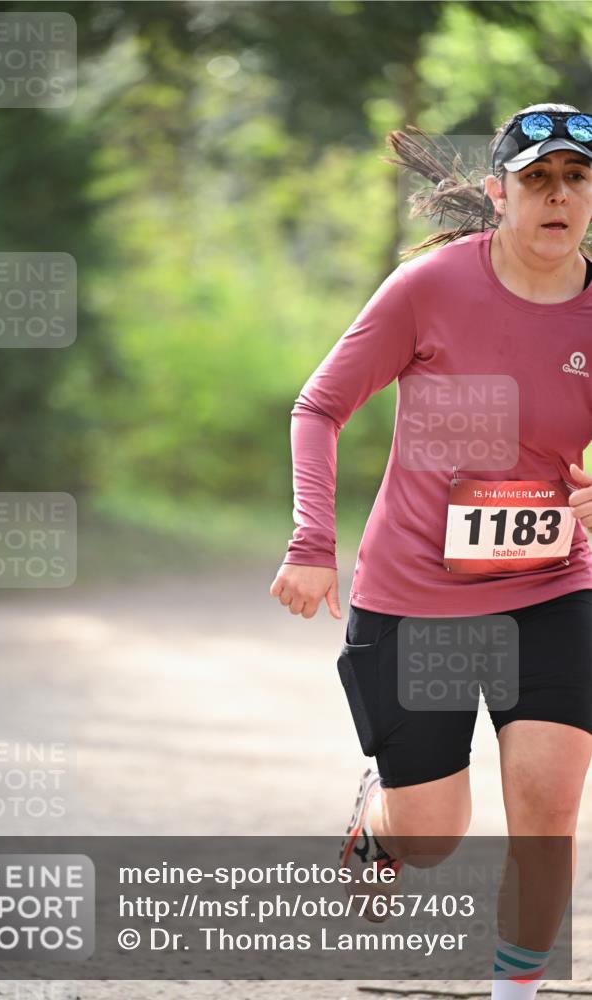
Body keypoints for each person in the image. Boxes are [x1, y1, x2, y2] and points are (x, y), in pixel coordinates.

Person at [270, 103, 592, 999]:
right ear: (498, 195)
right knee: (432, 831)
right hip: (416, 594)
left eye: (574, 179)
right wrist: (310, 542)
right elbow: (318, 407)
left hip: (551, 586)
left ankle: (511, 992)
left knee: (546, 803)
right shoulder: (430, 289)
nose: (556, 196)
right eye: (535, 179)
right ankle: (378, 836)